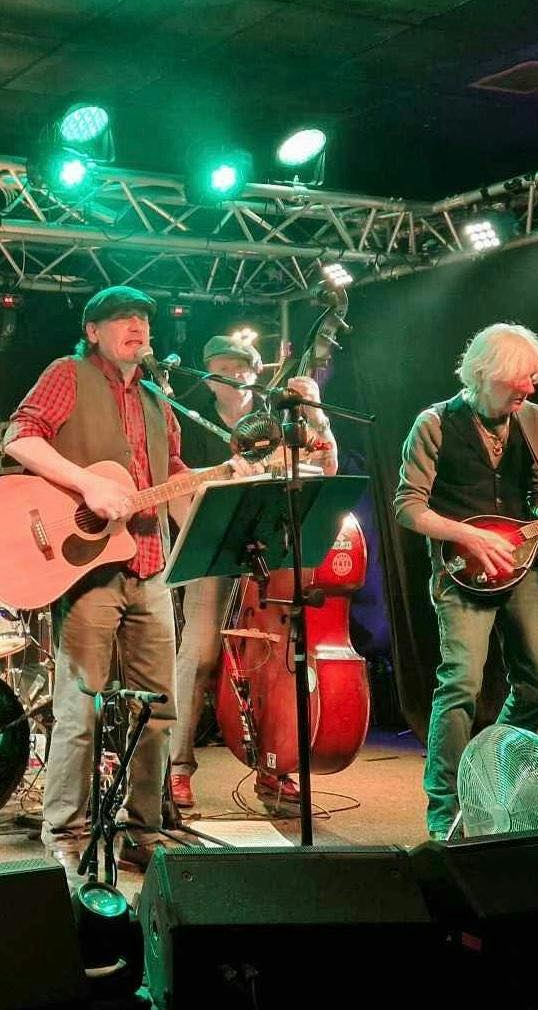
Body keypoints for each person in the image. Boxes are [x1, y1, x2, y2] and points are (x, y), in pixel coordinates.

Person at [3, 285, 209, 879]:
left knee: (159, 710)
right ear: (93, 331)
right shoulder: (68, 374)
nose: (136, 325)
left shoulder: (157, 397)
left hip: (151, 566)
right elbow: (20, 436)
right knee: (80, 710)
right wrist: (88, 484)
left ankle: (144, 831)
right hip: (86, 568)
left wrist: (220, 483)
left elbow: (172, 474)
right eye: (122, 318)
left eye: (143, 317)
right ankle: (65, 833)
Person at [393, 323, 538, 839]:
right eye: (519, 380)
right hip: (459, 572)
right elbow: (407, 506)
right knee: (461, 684)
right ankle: (446, 810)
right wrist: (467, 534)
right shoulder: (434, 423)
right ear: (485, 375)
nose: (530, 388)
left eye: (532, 378)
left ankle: (490, 769)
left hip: (521, 568)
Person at [170, 332, 338, 811]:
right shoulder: (187, 420)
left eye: (243, 367)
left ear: (257, 372)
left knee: (276, 662)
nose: (235, 375)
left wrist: (317, 412)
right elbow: (173, 485)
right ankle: (177, 768)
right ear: (208, 376)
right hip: (213, 548)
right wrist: (205, 517)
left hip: (269, 550)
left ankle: (275, 764)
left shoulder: (279, 415)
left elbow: (326, 465)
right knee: (199, 653)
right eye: (224, 368)